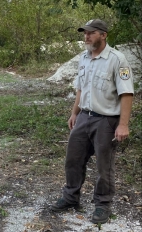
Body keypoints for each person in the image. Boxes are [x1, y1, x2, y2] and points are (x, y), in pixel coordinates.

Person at [50, 19, 134, 224]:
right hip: (84, 118)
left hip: (106, 121)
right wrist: (74, 113)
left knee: (104, 166)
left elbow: (127, 93)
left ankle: (102, 205)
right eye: (84, 33)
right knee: (73, 160)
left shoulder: (117, 59)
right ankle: (71, 198)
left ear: (103, 34)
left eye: (91, 33)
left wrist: (123, 124)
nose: (86, 36)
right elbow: (81, 88)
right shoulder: (84, 58)